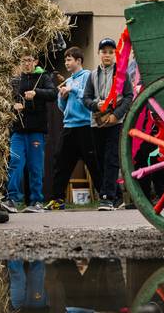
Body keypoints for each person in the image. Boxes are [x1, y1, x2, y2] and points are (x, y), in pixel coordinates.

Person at [82, 37, 133, 210]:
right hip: (97, 123)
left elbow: (128, 97)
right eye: (104, 52)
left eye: (111, 52)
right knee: (99, 160)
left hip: (115, 123)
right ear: (99, 53)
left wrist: (116, 115)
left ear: (115, 54)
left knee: (111, 159)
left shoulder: (122, 74)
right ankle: (118, 197)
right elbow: (85, 98)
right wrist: (96, 105)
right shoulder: (92, 75)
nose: (107, 55)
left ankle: (107, 198)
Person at [46, 48, 99, 210]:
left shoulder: (88, 76)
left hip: (86, 126)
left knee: (94, 164)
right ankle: (57, 200)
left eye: (69, 60)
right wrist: (62, 97)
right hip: (69, 127)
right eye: (66, 60)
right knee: (60, 163)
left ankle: (109, 197)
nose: (66, 63)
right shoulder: (68, 81)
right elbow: (63, 108)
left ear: (78, 61)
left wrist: (73, 90)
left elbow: (89, 98)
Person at [6, 52, 57, 212]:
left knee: (35, 167)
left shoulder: (44, 78)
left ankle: (36, 201)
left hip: (36, 130)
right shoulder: (15, 80)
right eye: (23, 60)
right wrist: (12, 106)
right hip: (18, 131)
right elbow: (6, 100)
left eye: (29, 60)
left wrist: (36, 93)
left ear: (35, 61)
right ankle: (12, 199)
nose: (27, 64)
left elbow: (53, 94)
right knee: (15, 163)